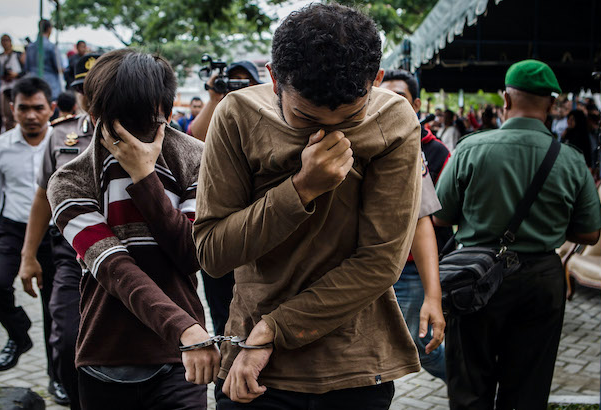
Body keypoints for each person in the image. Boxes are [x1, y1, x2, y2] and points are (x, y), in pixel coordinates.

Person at [194, 3, 422, 408]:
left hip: (353, 366)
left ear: (376, 81)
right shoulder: (237, 115)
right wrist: (300, 189)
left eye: (350, 119)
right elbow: (213, 253)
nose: (326, 136)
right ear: (273, 78)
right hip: (252, 370)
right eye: (304, 119)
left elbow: (380, 261)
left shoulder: (394, 120)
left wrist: (275, 329)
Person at [46, 49, 215, 409]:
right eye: (118, 122)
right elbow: (112, 266)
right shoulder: (69, 180)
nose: (132, 139)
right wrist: (182, 328)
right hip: (107, 353)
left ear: (168, 113)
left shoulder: (198, 159)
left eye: (145, 122)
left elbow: (190, 255)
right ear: (94, 115)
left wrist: (144, 177)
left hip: (180, 358)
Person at [434, 59, 601, 409]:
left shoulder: (470, 148)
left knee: (468, 383)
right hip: (541, 279)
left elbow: (439, 217)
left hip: (474, 277)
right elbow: (589, 232)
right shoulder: (571, 160)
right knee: (528, 386)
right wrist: (551, 226)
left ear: (506, 100)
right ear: (552, 105)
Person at [17, 52, 102, 408]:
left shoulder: (143, 131)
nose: (90, 95)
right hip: (72, 251)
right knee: (66, 337)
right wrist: (27, 256)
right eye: (83, 89)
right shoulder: (61, 136)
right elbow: (42, 198)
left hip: (128, 249)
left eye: (97, 87)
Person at [0, 77, 58, 383]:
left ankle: (57, 378)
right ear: (12, 109)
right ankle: (18, 334)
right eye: (23, 108)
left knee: (55, 311)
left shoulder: (62, 144)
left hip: (54, 235)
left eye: (38, 108)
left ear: (52, 109)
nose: (31, 115)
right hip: (12, 230)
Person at [379, 69, 447, 381]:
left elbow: (428, 220)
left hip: (408, 268)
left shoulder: (428, 150)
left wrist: (433, 295)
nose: (390, 103)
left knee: (418, 344)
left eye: (400, 98)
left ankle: (471, 381)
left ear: (416, 104)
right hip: (368, 269)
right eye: (385, 94)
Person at [188, 59, 262, 338]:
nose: (238, 88)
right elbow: (197, 136)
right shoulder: (219, 113)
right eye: (233, 82)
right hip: (220, 233)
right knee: (222, 312)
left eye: (245, 82)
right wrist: (215, 98)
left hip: (256, 229)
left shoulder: (266, 114)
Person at [187, 60, 262, 141]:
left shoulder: (262, 110)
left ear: (256, 85)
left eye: (248, 81)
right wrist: (214, 99)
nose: (242, 87)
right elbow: (196, 137)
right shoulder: (220, 110)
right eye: (236, 80)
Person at [25, 19, 62, 100]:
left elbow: (27, 67)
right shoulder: (52, 47)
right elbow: (59, 68)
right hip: (50, 86)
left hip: (33, 85)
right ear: (49, 29)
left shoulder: (30, 47)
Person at [0, 34, 25, 132]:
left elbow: (25, 70)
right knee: (7, 115)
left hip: (17, 87)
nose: (5, 43)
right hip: (4, 88)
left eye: (7, 40)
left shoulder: (17, 55)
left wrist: (16, 75)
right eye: (3, 40)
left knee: (19, 113)